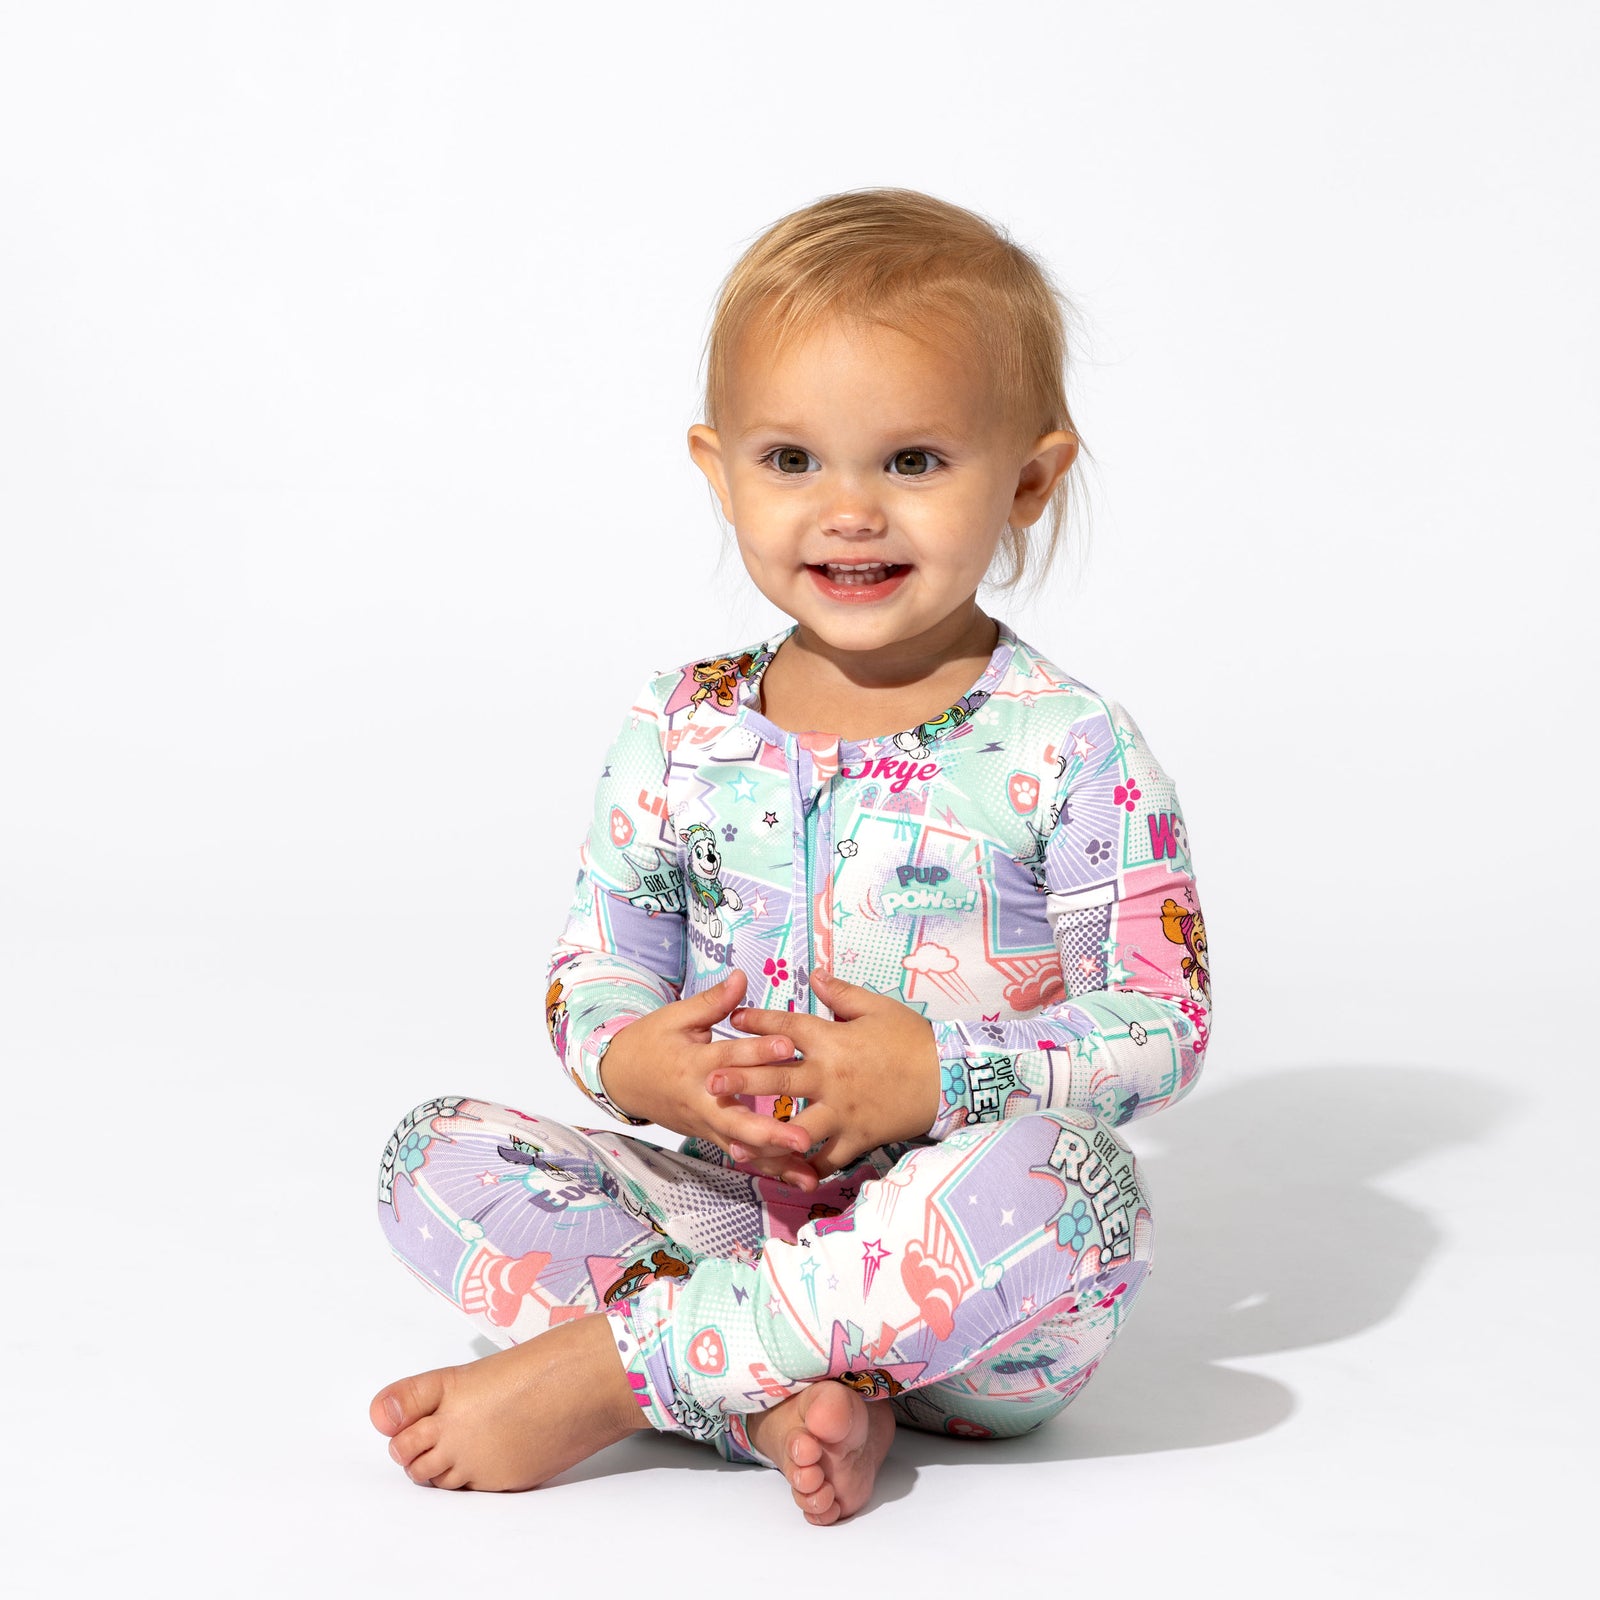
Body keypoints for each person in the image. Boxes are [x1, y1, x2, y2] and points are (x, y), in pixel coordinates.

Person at [369, 187, 1212, 1525]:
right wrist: (639, 1063)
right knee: (429, 1160)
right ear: (720, 473)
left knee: (1079, 1185)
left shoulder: (1073, 748)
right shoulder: (680, 725)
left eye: (914, 461)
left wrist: (939, 1074)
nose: (850, 511)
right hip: (733, 1208)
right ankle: (773, 1398)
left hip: (966, 1298)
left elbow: (1163, 1027)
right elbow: (597, 969)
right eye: (792, 460)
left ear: (1027, 480)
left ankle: (631, 1369)